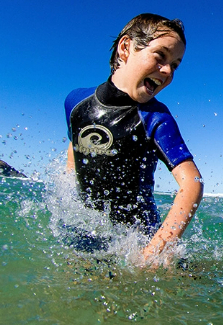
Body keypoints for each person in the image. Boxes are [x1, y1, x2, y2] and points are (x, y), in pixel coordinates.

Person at [64, 13, 204, 264]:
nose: (167, 70)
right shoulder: (76, 102)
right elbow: (75, 145)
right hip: (87, 232)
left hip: (137, 239)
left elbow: (192, 182)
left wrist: (155, 250)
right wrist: (68, 189)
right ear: (126, 47)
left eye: (175, 65)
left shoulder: (156, 118)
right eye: (160, 56)